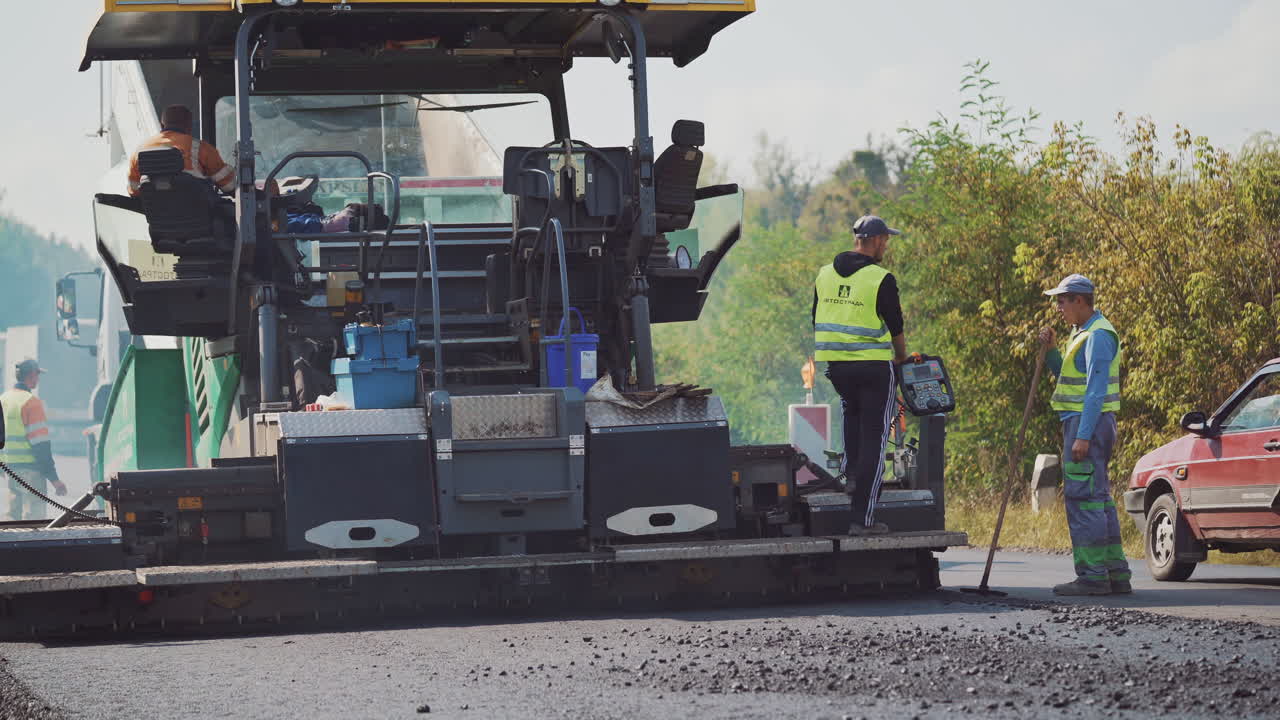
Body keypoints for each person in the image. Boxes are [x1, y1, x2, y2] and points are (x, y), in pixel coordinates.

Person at [812, 215, 908, 536]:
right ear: (876, 240)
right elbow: (896, 326)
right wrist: (903, 359)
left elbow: (817, 316)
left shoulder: (824, 275)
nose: (886, 246)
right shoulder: (880, 278)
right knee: (876, 441)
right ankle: (863, 520)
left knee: (851, 419)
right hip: (874, 369)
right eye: (886, 240)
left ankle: (851, 474)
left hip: (838, 368)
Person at [1038, 274, 1132, 595]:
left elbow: (1094, 391)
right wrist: (1051, 351)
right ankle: (1115, 573)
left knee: (1084, 499)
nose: (1058, 307)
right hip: (1084, 422)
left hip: (1087, 424)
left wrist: (1083, 435)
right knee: (1098, 498)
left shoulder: (1098, 336)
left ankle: (1093, 576)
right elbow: (1067, 377)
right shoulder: (1081, 334)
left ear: (1080, 300)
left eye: (1062, 300)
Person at [1, 359, 66, 521]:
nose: (38, 379)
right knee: (34, 521)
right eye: (38, 375)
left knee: (11, 520)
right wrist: (54, 479)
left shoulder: (3, 399)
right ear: (31, 375)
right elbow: (41, 445)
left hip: (10, 470)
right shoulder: (31, 403)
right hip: (31, 471)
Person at [127, 105, 236, 197]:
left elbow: (134, 191)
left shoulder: (140, 151)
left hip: (158, 218)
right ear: (189, 126)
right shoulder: (201, 148)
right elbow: (229, 186)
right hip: (197, 214)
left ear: (162, 125)